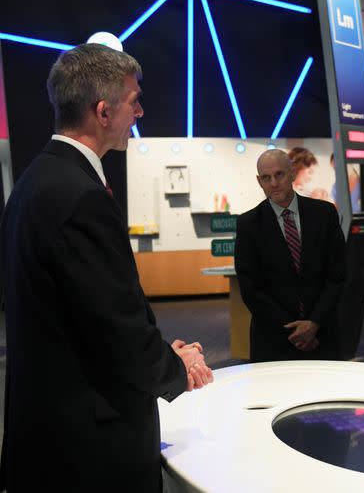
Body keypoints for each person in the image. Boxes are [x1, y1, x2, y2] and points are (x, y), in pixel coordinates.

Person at [0, 43, 213, 492]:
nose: (139, 112)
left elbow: (80, 317)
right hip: (88, 448)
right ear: (102, 111)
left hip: (46, 432)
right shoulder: (81, 196)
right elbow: (117, 328)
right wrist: (178, 368)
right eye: (133, 101)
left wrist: (160, 354)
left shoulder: (35, 181)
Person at [235, 149, 346, 362]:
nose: (274, 183)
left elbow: (337, 275)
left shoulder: (324, 214)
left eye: (279, 174)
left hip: (323, 334)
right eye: (266, 178)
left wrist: (314, 323)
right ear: (259, 182)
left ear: (292, 173)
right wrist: (295, 333)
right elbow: (251, 289)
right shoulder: (248, 225)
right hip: (273, 341)